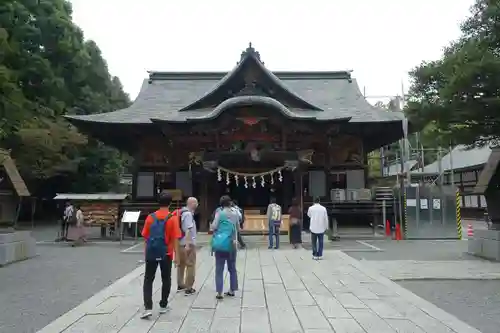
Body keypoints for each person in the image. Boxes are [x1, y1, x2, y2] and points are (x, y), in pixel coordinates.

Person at [140, 191, 181, 319]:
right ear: (170, 203)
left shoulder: (150, 217)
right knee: (166, 279)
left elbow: (146, 237)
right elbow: (175, 239)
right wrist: (177, 256)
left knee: (148, 279)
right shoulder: (173, 218)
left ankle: (148, 307)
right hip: (166, 253)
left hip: (152, 252)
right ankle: (163, 305)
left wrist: (146, 253)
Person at [211, 195, 240, 300]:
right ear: (230, 203)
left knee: (219, 268)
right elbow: (238, 228)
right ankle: (232, 290)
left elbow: (213, 226)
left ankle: (219, 292)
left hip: (221, 243)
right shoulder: (236, 213)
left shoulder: (219, 213)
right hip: (232, 242)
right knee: (232, 268)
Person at [177, 197, 198, 295]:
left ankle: (180, 283)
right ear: (192, 203)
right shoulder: (188, 214)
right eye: (196, 203)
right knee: (190, 264)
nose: (197, 205)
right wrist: (188, 244)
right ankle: (189, 287)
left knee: (181, 264)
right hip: (187, 243)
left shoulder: (181, 212)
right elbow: (188, 230)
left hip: (180, 242)